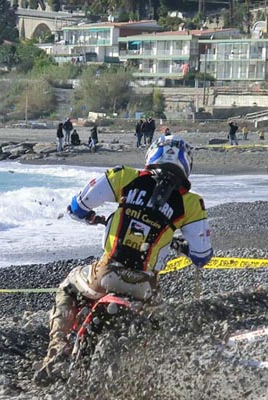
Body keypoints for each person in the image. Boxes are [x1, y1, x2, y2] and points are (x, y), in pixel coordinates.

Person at [35, 135, 214, 385]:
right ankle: (148, 375)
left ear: (152, 155)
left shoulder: (124, 176)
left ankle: (57, 352)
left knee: (68, 285)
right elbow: (202, 255)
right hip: (145, 285)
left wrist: (90, 217)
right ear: (186, 164)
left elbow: (77, 207)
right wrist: (179, 242)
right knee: (159, 322)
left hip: (106, 272)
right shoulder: (192, 203)